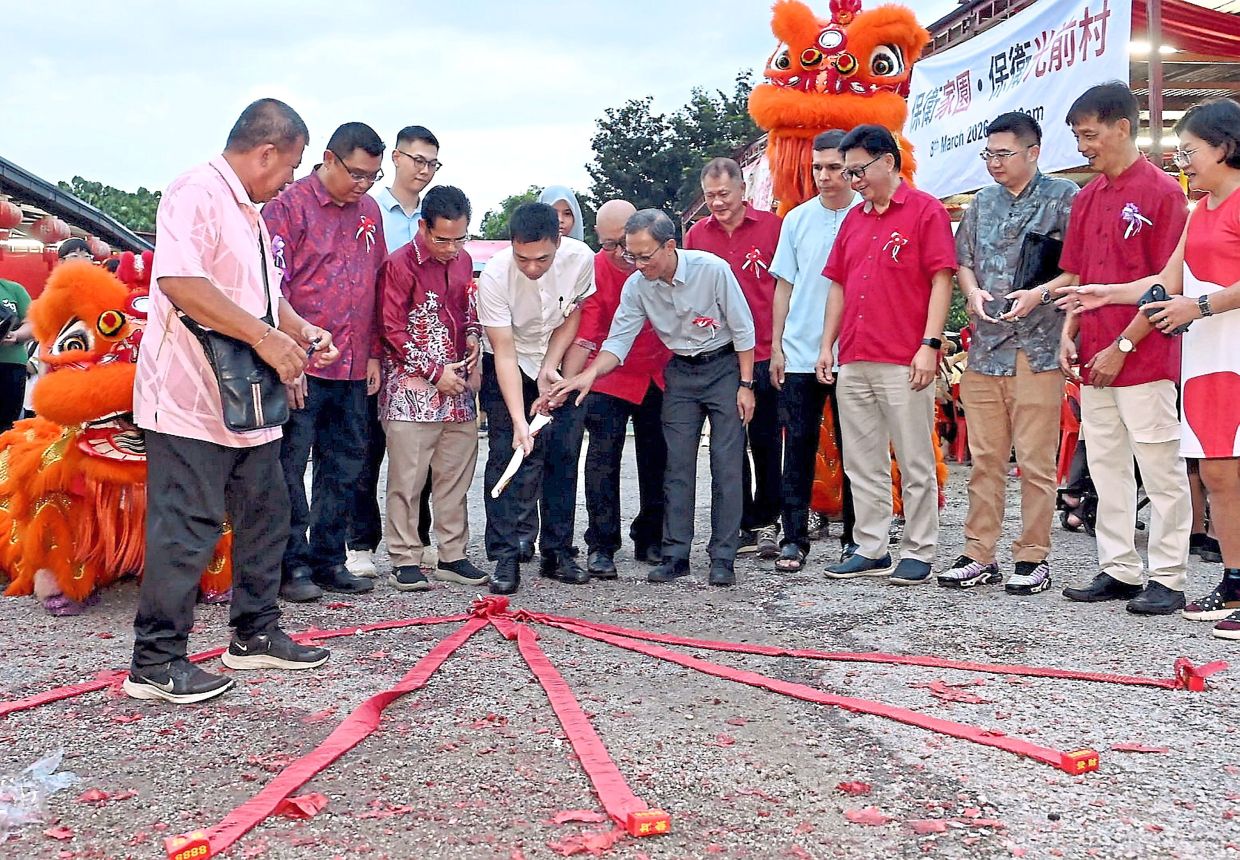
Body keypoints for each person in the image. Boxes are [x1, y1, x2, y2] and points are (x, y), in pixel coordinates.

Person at [126, 98, 337, 704]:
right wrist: (269, 339)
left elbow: (264, 300)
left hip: (248, 401)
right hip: (188, 396)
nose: (291, 180)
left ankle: (254, 633)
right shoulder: (196, 191)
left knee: (267, 513)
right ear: (266, 151)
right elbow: (180, 282)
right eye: (292, 166)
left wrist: (297, 331)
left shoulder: (252, 213)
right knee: (186, 527)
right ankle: (156, 661)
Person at [1067, 97, 1240, 638]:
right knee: (1212, 471)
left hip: (1197, 347)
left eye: (1189, 150)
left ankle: (1175, 574)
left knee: (1180, 471)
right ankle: (1224, 577)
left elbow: (1190, 297)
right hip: (1207, 355)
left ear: (1225, 148)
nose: (1182, 161)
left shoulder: (1192, 199)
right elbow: (1167, 281)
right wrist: (1102, 295)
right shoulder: (1201, 207)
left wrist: (1199, 309)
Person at [554, 209, 756, 587]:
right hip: (679, 371)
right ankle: (676, 553)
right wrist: (587, 375)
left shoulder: (711, 270)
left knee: (726, 463)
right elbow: (618, 341)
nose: (637, 264)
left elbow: (744, 329)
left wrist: (746, 386)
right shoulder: (637, 285)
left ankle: (723, 557)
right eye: (631, 255)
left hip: (724, 366)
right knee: (676, 465)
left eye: (644, 255)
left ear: (669, 246)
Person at [1053, 82, 1191, 616]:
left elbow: (1169, 284)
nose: (1083, 146)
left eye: (1089, 135)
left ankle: (1170, 575)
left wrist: (1124, 344)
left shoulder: (1163, 192)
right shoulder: (1087, 197)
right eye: (1077, 136)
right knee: (1107, 467)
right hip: (1093, 357)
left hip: (1145, 356)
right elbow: (1081, 276)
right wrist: (1069, 330)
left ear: (1122, 128)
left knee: (1159, 469)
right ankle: (1119, 567)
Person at [938, 112, 1078, 595]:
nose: (994, 164)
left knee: (1036, 461)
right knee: (985, 458)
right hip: (986, 349)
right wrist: (971, 291)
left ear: (1033, 153)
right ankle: (979, 552)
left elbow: (1079, 270)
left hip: (1037, 347)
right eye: (989, 155)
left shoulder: (1064, 198)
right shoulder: (982, 204)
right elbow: (964, 262)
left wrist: (1041, 293)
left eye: (1003, 154)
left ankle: (1033, 555)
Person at [814, 124, 956, 585]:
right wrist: (825, 345)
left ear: (888, 162)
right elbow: (837, 284)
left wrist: (929, 345)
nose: (853, 181)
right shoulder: (855, 220)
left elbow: (941, 279)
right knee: (861, 458)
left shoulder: (925, 212)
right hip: (854, 354)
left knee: (914, 456)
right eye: (848, 172)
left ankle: (919, 549)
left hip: (903, 356)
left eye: (858, 170)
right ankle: (870, 545)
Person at [262, 121, 387, 603]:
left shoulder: (370, 212)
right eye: (356, 173)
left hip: (354, 365)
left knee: (346, 464)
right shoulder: (287, 207)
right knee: (291, 467)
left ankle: (330, 559)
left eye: (371, 177)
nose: (362, 185)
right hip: (301, 363)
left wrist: (374, 351)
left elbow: (376, 284)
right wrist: (286, 361)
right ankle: (291, 564)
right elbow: (271, 291)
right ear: (329, 160)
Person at [477, 202, 594, 595]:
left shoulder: (581, 259)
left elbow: (572, 316)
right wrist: (518, 421)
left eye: (541, 258)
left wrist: (551, 367)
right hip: (508, 364)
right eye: (522, 257)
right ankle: (505, 557)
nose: (531, 267)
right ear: (510, 244)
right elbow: (505, 353)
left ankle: (558, 552)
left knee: (563, 453)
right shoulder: (494, 276)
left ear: (559, 242)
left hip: (553, 361)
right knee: (507, 457)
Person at [377, 185, 488, 592]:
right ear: (423, 226)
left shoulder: (464, 261)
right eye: (442, 238)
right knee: (407, 478)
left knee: (455, 476)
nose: (452, 247)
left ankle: (452, 555)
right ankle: (405, 556)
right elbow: (391, 330)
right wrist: (432, 370)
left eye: (460, 238)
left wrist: (474, 338)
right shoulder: (399, 264)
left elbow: (468, 311)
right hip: (411, 391)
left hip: (457, 388)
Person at [347, 125, 443, 579]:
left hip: (422, 352)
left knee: (418, 449)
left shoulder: (436, 217)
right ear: (397, 159)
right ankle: (360, 541)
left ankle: (416, 539)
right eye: (417, 160)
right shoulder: (369, 210)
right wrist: (368, 350)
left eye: (433, 163)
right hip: (373, 345)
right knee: (365, 445)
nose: (424, 170)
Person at [561, 199, 670, 576]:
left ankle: (651, 536)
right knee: (603, 457)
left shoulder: (658, 258)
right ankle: (602, 543)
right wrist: (572, 378)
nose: (620, 253)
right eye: (608, 244)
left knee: (658, 457)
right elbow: (588, 330)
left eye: (624, 242)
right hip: (608, 372)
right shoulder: (593, 268)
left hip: (657, 369)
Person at [768, 129, 859, 572]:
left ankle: (856, 537)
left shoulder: (867, 214)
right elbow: (784, 286)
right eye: (817, 168)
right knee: (798, 446)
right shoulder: (797, 219)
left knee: (855, 448)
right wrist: (777, 347)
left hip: (855, 352)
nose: (825, 176)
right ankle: (793, 538)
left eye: (834, 168)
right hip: (801, 351)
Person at [684, 158, 783, 558]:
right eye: (710, 196)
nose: (718, 203)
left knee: (766, 439)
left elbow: (784, 290)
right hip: (720, 353)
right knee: (729, 441)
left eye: (724, 194)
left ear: (743, 189)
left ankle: (768, 521)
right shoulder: (695, 235)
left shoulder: (772, 228)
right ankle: (740, 522)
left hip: (763, 349)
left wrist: (779, 346)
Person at [0, 277, 34, 433]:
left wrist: (16, 335)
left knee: (7, 426)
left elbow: (32, 322)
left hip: (11, 365)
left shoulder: (14, 289)